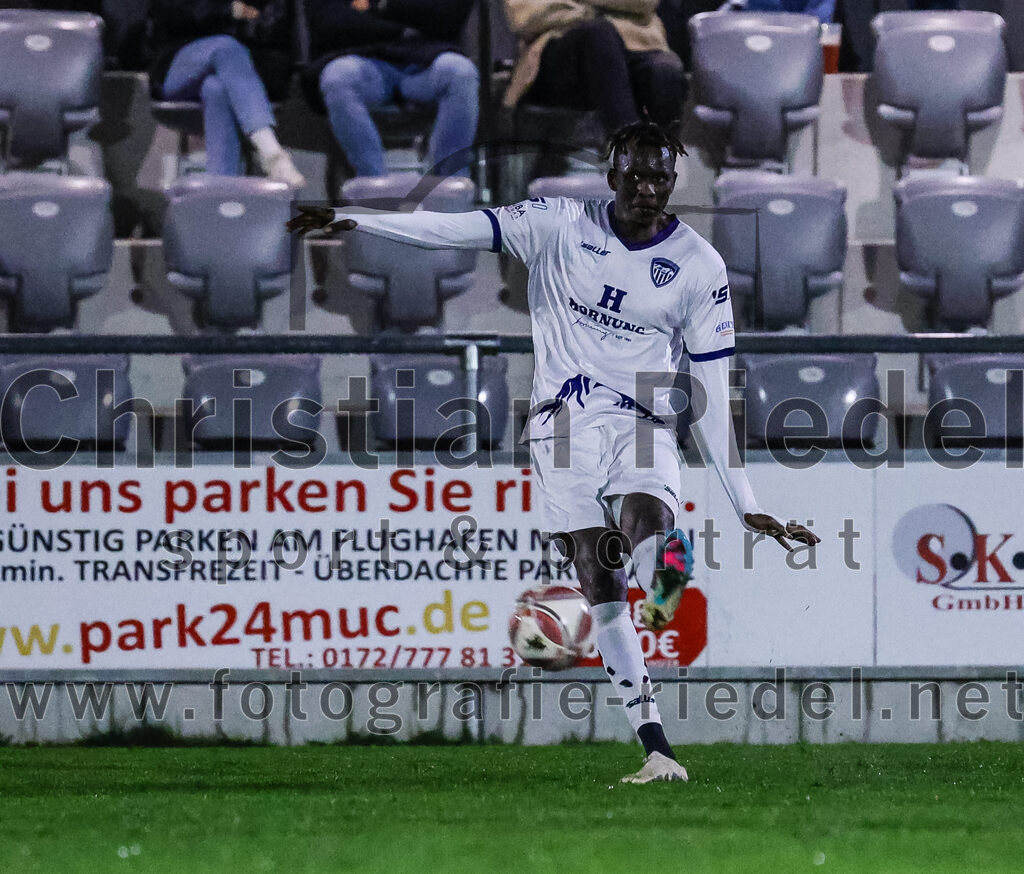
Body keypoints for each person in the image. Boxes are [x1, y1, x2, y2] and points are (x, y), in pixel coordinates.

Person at [287, 121, 819, 784]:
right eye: (638, 173)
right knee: (600, 584)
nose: (651, 187)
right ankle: (658, 751)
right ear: (612, 174)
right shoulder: (555, 222)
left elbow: (709, 388)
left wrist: (748, 505)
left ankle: (667, 567)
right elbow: (449, 230)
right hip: (560, 425)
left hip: (642, 416)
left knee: (642, 519)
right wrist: (350, 217)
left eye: (662, 176)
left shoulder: (698, 268)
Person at [301, 0, 479, 178]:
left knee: (461, 72)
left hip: (429, 61)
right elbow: (328, 22)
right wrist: (405, 28)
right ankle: (373, 187)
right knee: (337, 77)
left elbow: (449, 17)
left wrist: (378, 6)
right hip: (362, 58)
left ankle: (449, 187)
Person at [148, 0, 305, 186]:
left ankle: (221, 189)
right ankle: (271, 153)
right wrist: (227, 10)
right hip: (178, 64)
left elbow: (275, 29)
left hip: (239, 73)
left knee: (216, 88)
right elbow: (169, 11)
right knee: (226, 47)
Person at [503, 0, 687, 138]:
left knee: (664, 72)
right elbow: (525, 16)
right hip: (559, 55)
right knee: (598, 33)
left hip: (638, 44)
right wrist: (603, 10)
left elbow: (643, 2)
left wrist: (575, 6)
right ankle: (630, 148)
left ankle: (662, 168)